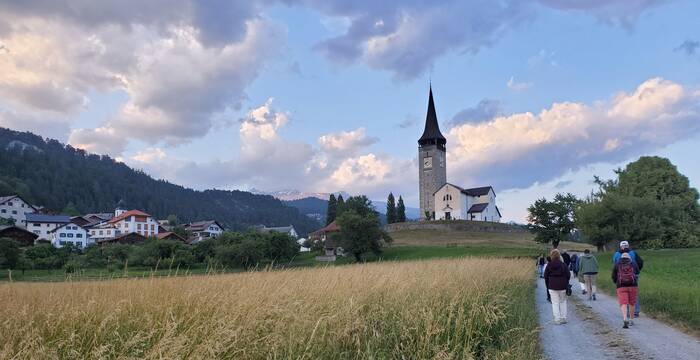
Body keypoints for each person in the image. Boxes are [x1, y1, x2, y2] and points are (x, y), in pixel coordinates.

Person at [613, 241, 644, 317]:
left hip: (620, 279)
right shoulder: (633, 253)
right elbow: (640, 262)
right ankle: (635, 312)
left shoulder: (617, 254)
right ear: (628, 246)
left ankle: (626, 313)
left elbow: (614, 265)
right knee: (634, 294)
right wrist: (636, 272)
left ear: (620, 246)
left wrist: (616, 278)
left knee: (623, 295)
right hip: (633, 277)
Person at [612, 252, 639, 328]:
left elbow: (613, 275)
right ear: (629, 257)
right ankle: (632, 320)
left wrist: (616, 282)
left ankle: (625, 318)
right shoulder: (633, 263)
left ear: (621, 258)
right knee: (632, 303)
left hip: (621, 286)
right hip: (632, 286)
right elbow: (637, 272)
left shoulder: (617, 264)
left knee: (623, 303)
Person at [544, 249, 570, 324]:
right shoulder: (563, 264)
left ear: (551, 256)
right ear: (559, 256)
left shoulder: (549, 265)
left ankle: (557, 319)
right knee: (563, 301)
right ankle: (563, 318)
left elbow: (546, 276)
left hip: (552, 286)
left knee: (555, 303)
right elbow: (568, 275)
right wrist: (566, 282)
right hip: (562, 286)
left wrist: (548, 285)